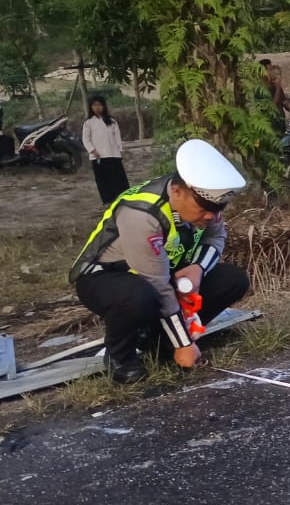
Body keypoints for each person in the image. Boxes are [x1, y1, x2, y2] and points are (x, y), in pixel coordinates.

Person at [71, 139, 250, 385]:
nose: (211, 215)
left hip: (160, 273)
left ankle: (162, 344)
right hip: (106, 277)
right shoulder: (141, 214)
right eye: (205, 207)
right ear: (177, 192)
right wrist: (185, 343)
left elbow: (217, 236)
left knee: (234, 280)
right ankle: (120, 358)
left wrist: (198, 269)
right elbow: (156, 283)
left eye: (218, 207)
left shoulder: (202, 200)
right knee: (139, 297)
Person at [81, 94, 129, 205]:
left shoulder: (112, 121)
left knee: (118, 178)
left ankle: (122, 198)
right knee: (103, 180)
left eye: (99, 105)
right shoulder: (88, 123)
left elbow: (117, 138)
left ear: (104, 106)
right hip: (98, 156)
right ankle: (108, 200)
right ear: (91, 107)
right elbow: (86, 139)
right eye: (94, 105)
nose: (97, 107)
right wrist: (93, 150)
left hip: (113, 155)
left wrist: (119, 151)